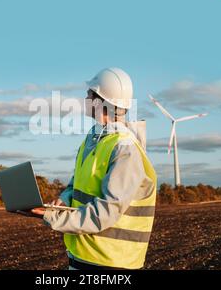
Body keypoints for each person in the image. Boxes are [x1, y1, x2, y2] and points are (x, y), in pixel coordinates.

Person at [32, 67, 157, 270]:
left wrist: (51, 217)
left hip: (111, 264)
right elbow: (77, 185)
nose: (85, 98)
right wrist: (63, 200)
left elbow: (107, 211)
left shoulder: (125, 149)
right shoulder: (94, 140)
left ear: (100, 101)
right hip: (82, 256)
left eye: (89, 94)